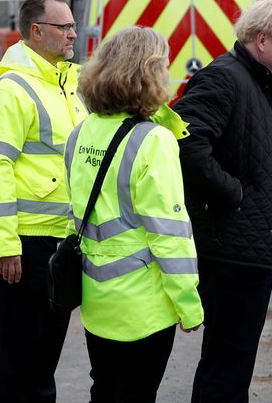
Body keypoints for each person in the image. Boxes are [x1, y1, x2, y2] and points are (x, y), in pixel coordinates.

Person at [171, 0, 272, 402]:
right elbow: (187, 145)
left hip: (249, 248)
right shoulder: (224, 78)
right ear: (262, 41)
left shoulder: (264, 83)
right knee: (227, 363)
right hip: (231, 251)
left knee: (234, 362)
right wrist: (235, 194)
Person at [67, 26, 204, 403]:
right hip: (143, 308)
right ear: (151, 73)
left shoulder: (80, 133)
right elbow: (169, 234)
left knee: (106, 391)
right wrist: (189, 305)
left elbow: (75, 214)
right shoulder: (153, 140)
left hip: (97, 302)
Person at [0, 0, 87, 403]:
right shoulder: (13, 90)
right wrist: (5, 246)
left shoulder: (67, 86)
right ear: (36, 31)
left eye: (74, 25)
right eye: (65, 27)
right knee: (17, 368)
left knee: (42, 364)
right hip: (23, 246)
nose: (74, 34)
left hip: (59, 241)